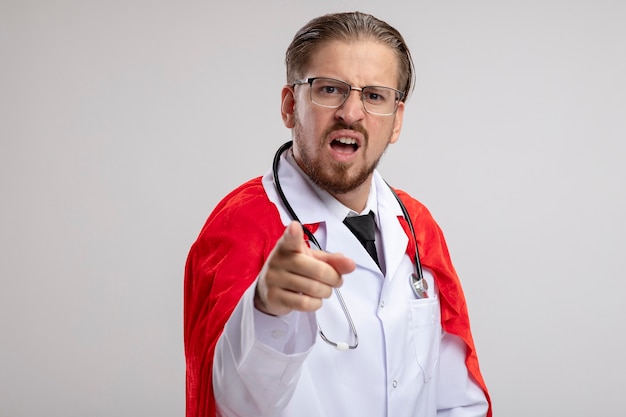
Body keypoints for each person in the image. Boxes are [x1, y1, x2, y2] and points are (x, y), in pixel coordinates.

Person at [184, 11, 491, 417]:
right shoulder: (240, 226)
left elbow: (456, 398)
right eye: (330, 90)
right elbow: (225, 402)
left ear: (396, 121)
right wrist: (264, 310)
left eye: (374, 95)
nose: (351, 112)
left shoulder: (416, 227)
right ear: (290, 106)